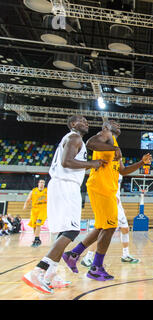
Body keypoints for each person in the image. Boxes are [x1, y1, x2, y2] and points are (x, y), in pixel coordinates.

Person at [22, 115, 106, 294]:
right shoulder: (74, 137)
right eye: (81, 120)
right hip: (65, 185)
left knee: (64, 231)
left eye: (86, 121)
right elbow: (66, 162)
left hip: (63, 185)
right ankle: (38, 271)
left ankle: (51, 274)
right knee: (71, 231)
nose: (86, 122)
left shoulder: (72, 139)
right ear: (72, 124)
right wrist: (93, 163)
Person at [62, 120, 151, 281]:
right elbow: (90, 143)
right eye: (113, 122)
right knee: (110, 227)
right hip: (101, 187)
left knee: (102, 227)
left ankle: (73, 254)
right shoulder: (105, 135)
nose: (117, 124)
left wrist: (141, 162)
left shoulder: (114, 145)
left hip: (107, 189)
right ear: (105, 127)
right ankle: (96, 267)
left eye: (118, 123)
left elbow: (123, 171)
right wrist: (115, 148)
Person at [81, 171, 151, 267]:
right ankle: (87, 258)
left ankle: (125, 255)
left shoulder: (119, 170)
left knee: (125, 229)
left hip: (117, 204)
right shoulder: (107, 168)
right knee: (103, 231)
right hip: (109, 202)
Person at [23, 179, 48, 247]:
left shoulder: (47, 191)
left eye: (43, 182)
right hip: (34, 210)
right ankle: (37, 238)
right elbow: (28, 199)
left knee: (38, 223)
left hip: (43, 210)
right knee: (34, 225)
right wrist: (25, 205)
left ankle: (36, 239)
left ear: (44, 184)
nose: (41, 183)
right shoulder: (33, 191)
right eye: (40, 182)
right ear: (38, 183)